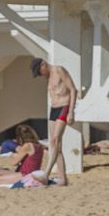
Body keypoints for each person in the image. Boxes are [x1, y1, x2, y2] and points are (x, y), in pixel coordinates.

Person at [31, 56, 77, 186]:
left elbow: (73, 89)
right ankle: (62, 179)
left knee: (55, 139)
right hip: (53, 109)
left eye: (40, 72)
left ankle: (46, 173)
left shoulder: (59, 70)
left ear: (43, 65)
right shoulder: (48, 78)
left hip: (64, 106)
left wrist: (71, 111)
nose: (40, 75)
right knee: (55, 144)